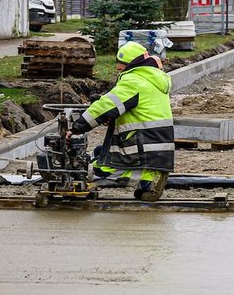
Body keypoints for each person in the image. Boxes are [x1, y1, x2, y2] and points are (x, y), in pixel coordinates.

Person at [70, 41, 174, 202]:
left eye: (121, 63)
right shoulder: (151, 78)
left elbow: (106, 106)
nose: (118, 67)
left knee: (99, 169)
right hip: (156, 144)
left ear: (131, 63)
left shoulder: (133, 81)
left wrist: (77, 127)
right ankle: (151, 177)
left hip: (141, 142)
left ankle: (148, 181)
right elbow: (127, 104)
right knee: (100, 152)